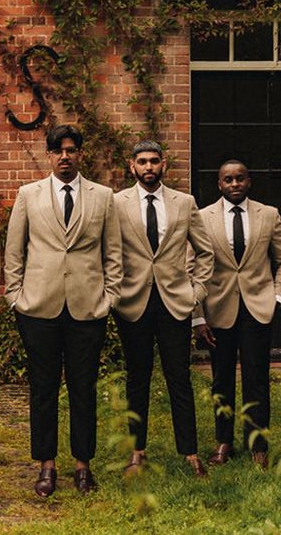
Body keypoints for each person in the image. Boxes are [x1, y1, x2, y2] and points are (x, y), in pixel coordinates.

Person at [4, 124, 122, 496]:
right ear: (50, 155)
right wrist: (17, 298)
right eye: (59, 151)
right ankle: (46, 465)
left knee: (83, 388)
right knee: (43, 388)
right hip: (39, 307)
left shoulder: (103, 197)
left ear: (80, 154)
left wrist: (109, 298)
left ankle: (83, 465)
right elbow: (14, 250)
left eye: (72, 150)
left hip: (88, 307)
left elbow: (113, 252)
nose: (65, 156)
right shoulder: (29, 194)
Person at [113, 140, 214, 478]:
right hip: (133, 302)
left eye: (154, 161)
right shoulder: (117, 204)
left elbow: (205, 252)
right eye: (142, 161)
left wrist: (195, 292)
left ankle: (190, 453)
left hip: (175, 301)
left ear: (164, 164)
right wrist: (114, 292)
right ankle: (136, 453)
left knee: (179, 378)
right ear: (132, 166)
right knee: (137, 378)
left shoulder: (184, 203)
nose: (148, 167)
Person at [193, 160, 281, 468]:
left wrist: (276, 298)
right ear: (219, 184)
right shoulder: (202, 217)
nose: (234, 184)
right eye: (228, 180)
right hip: (218, 309)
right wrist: (198, 316)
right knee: (221, 379)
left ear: (249, 181)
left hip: (257, 309)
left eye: (239, 179)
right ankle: (223, 442)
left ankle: (258, 445)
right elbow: (193, 267)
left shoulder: (269, 215)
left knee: (256, 379)